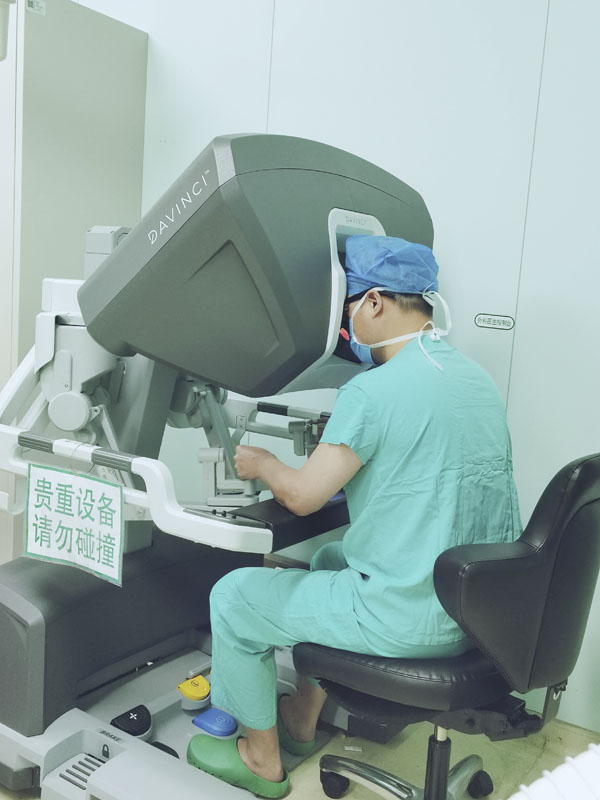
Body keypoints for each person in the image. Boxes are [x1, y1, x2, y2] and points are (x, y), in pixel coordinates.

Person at [186, 235, 521, 798]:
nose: (346, 326)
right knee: (328, 557)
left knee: (234, 598)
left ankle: (261, 760)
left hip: (406, 618)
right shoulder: (473, 379)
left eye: (348, 309)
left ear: (374, 302)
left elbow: (302, 497)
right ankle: (302, 717)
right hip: (478, 610)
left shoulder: (371, 391)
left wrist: (263, 464)